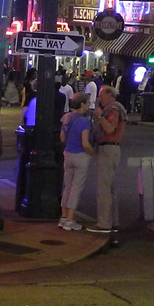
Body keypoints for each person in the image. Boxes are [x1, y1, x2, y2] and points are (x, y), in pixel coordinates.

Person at [87, 85, 127, 235]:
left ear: (110, 95)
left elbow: (110, 128)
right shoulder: (117, 109)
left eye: (101, 95)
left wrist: (99, 116)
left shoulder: (113, 109)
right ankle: (112, 221)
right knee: (110, 188)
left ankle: (104, 223)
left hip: (108, 148)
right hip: (111, 149)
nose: (99, 98)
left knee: (104, 189)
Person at [59, 94, 95, 231]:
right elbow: (85, 143)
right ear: (82, 104)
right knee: (76, 188)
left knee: (67, 186)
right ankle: (70, 219)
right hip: (80, 155)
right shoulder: (84, 121)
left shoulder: (67, 117)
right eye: (87, 103)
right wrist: (93, 153)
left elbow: (62, 138)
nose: (88, 106)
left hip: (68, 154)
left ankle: (63, 217)